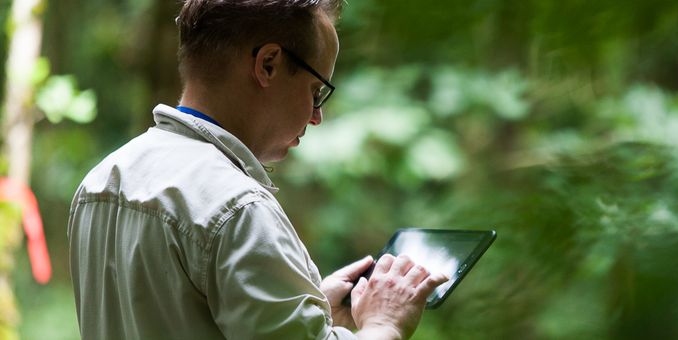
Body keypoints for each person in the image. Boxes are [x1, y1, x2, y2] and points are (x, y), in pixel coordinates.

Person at [66, 0, 448, 339]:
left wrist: (311, 313)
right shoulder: (238, 208)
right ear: (268, 64)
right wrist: (385, 324)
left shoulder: (100, 182)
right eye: (316, 92)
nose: (317, 117)